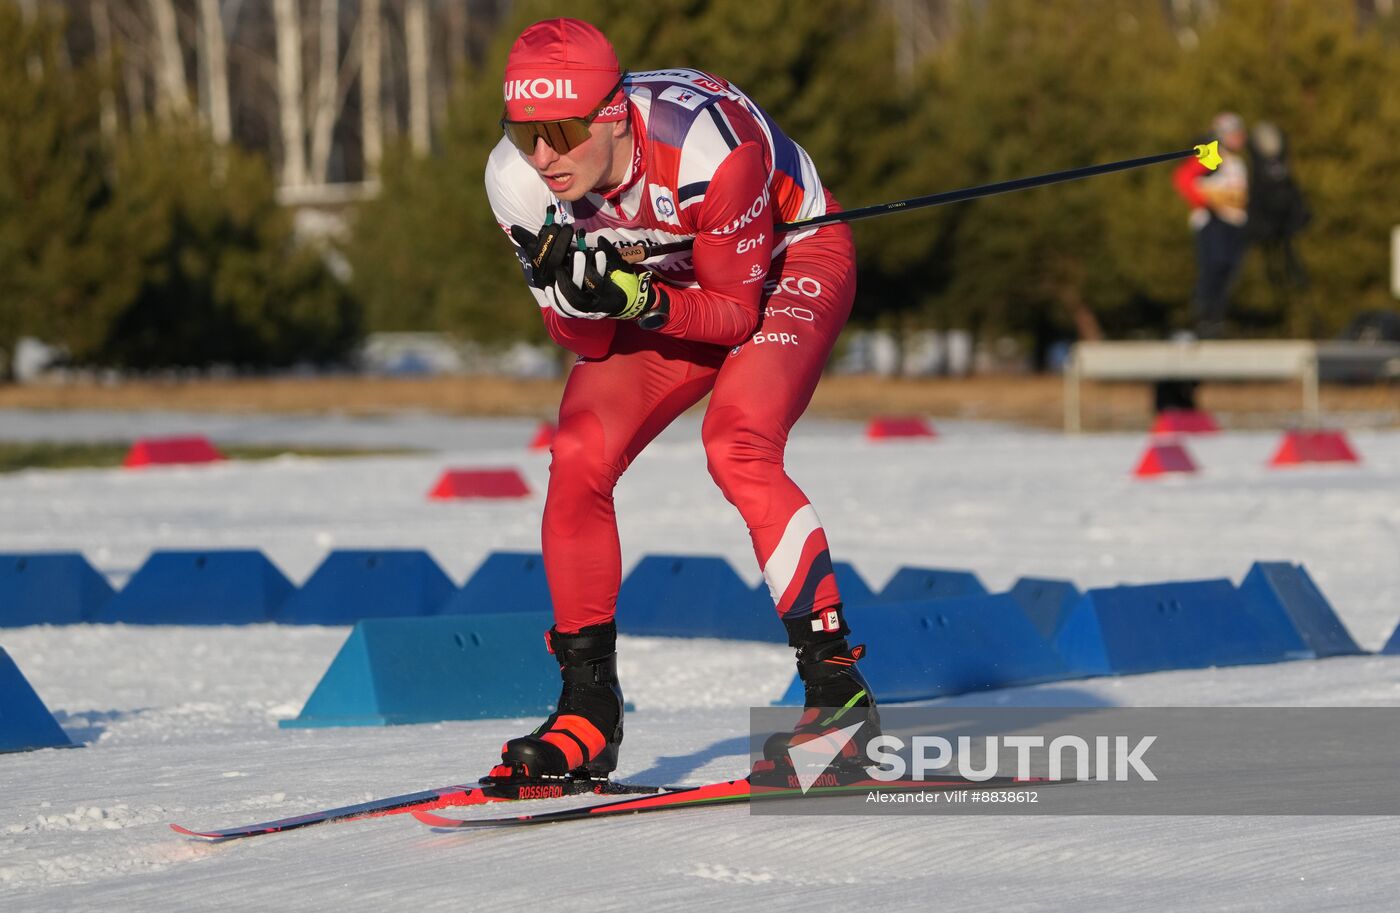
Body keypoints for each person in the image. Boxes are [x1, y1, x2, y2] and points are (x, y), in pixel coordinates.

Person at [482, 18, 879, 784]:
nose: (542, 156)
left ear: (611, 114)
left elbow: (733, 313)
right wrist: (580, 294)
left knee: (737, 442)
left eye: (561, 132)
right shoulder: (516, 180)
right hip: (671, 288)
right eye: (524, 130)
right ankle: (588, 708)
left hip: (787, 262)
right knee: (578, 453)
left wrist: (633, 294)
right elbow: (584, 341)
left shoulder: (710, 148)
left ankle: (839, 694)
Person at [1173, 111, 1250, 339]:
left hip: (1234, 223)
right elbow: (1183, 179)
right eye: (1235, 133)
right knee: (1213, 268)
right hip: (1213, 223)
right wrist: (1207, 203)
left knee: (1229, 271)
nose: (1240, 138)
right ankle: (1205, 318)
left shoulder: (1238, 161)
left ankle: (1217, 319)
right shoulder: (1212, 155)